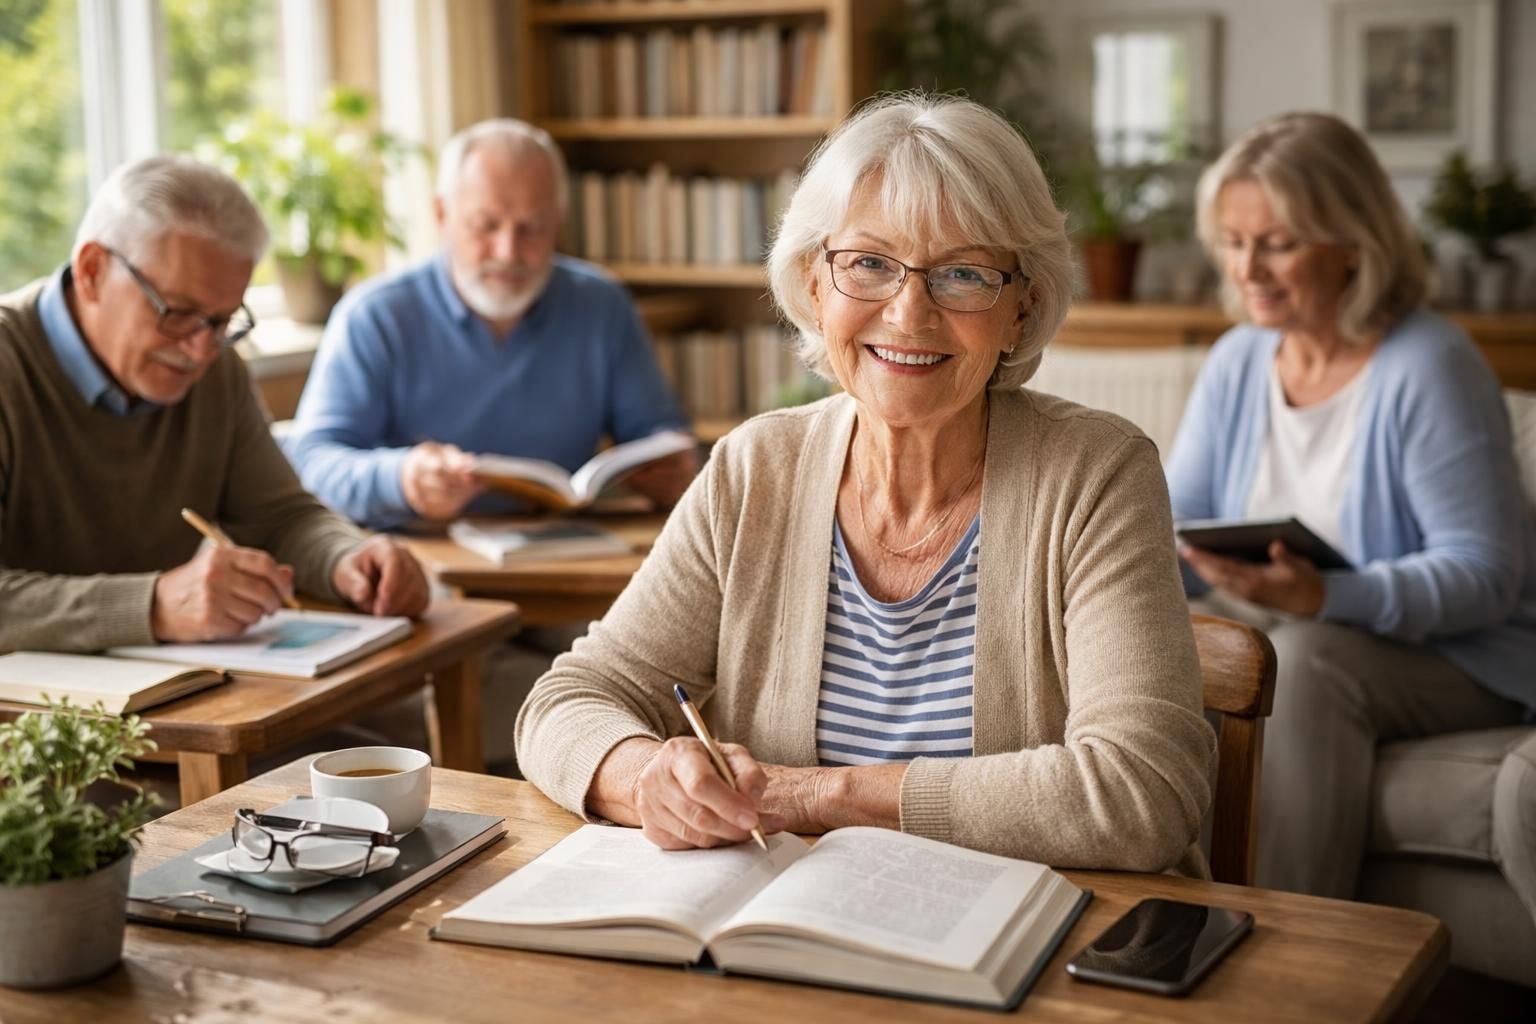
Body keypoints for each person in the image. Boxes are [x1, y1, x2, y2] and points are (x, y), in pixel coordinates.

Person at [514, 95, 1216, 870]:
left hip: (1035, 927)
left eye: (963, 274)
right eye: (870, 264)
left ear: (1023, 308)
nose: (909, 314)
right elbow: (566, 702)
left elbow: (1145, 792)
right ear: (815, 285)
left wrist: (822, 796)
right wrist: (645, 777)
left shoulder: (1097, 475)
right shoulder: (755, 469)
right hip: (788, 922)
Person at [1166, 112, 1536, 898]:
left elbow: (1484, 576)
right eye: (1233, 242)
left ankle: (1287, 948)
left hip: (1465, 654)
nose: (1247, 269)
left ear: (1353, 243)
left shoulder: (1429, 364)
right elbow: (1174, 523)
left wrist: (1328, 595)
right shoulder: (1238, 360)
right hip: (1294, 622)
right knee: (1160, 645)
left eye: (1277, 243)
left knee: (1304, 660)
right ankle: (1148, 923)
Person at [0, 155, 429, 655]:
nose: (201, 350)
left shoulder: (217, 369)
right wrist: (152, 607)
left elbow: (279, 517)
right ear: (92, 271)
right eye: (178, 312)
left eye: (223, 321)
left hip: (173, 686)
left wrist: (348, 559)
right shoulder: (10, 365)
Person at [285, 117, 694, 530]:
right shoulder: (375, 315)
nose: (507, 251)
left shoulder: (601, 305)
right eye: (486, 226)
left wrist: (672, 469)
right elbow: (313, 463)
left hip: (565, 544)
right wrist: (400, 479)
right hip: (420, 552)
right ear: (441, 214)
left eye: (531, 229)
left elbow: (658, 433)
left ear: (558, 220)